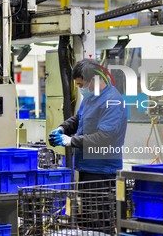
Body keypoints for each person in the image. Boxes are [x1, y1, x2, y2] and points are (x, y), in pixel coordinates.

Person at [48, 58, 127, 234]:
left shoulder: (113, 101)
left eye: (82, 84)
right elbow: (78, 119)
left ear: (95, 79)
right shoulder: (91, 97)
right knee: (86, 223)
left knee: (100, 223)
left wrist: (71, 141)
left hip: (102, 172)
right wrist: (62, 128)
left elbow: (104, 137)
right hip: (86, 168)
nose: (80, 89)